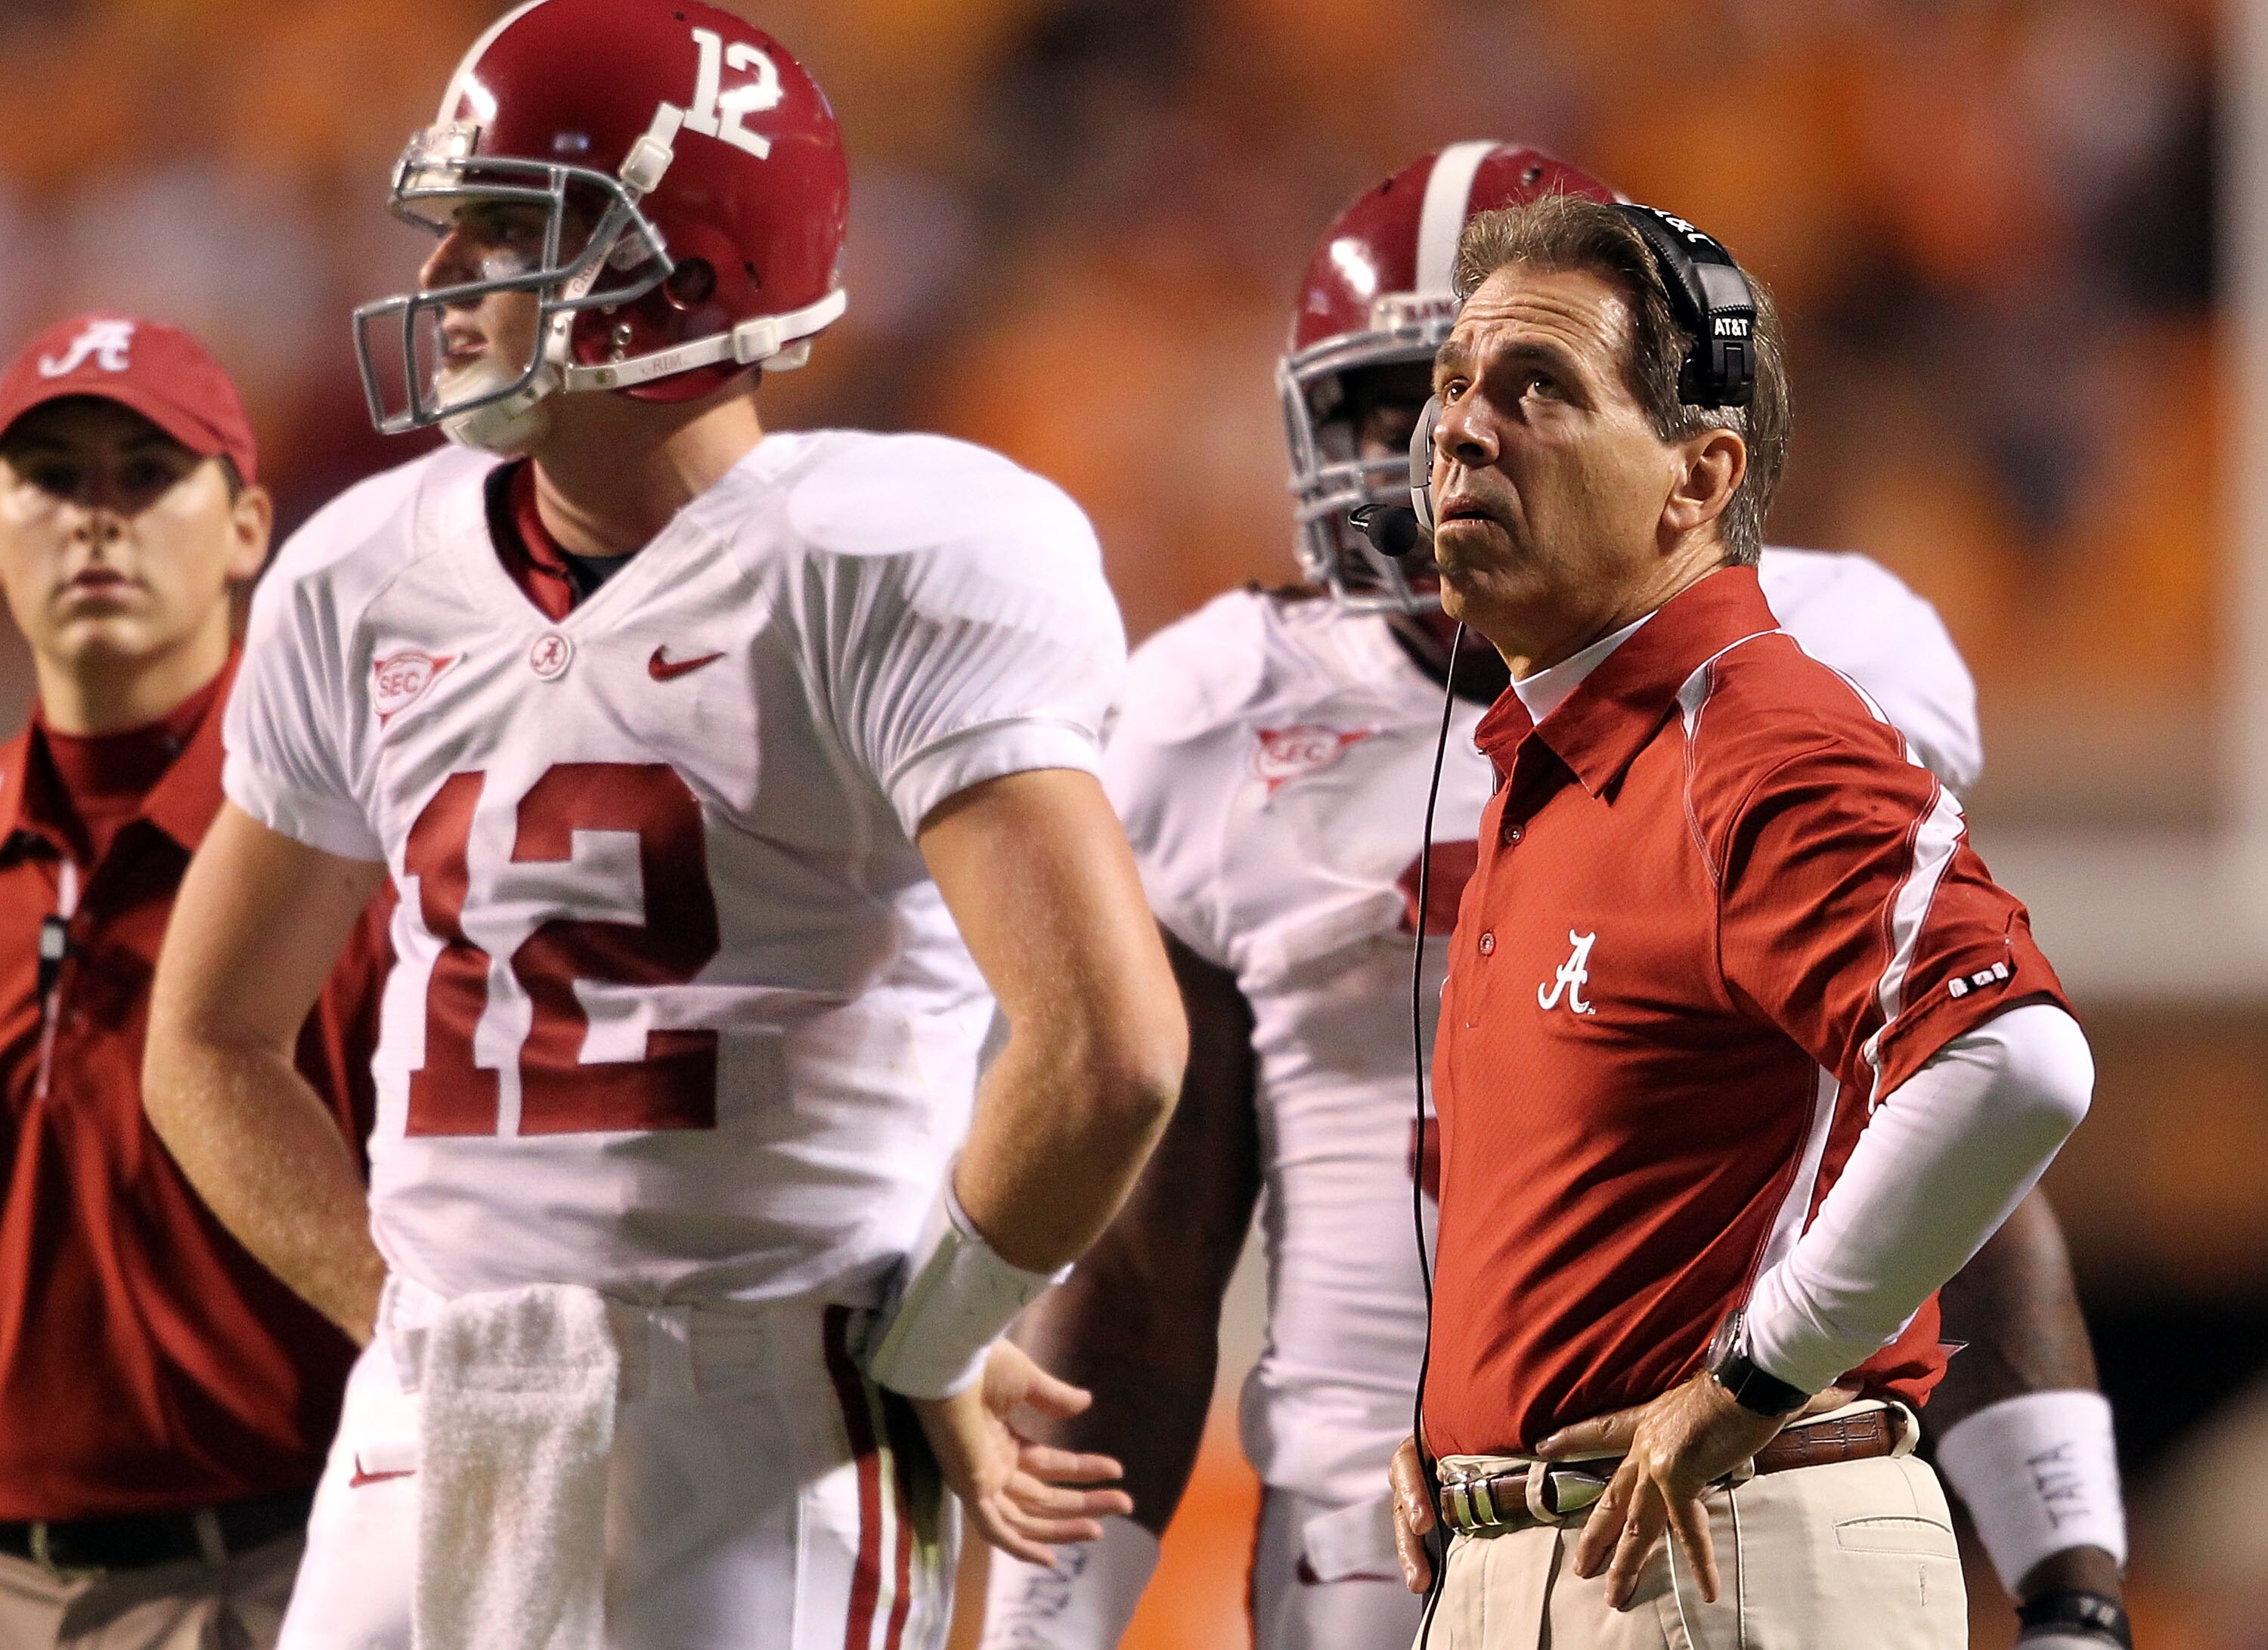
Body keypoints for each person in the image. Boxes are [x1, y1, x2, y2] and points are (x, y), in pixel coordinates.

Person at [980, 146, 2133, 1650]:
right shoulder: (1476, 740)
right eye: (1417, 396)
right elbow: (1148, 1268)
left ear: (1698, 475)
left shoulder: (1774, 710)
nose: (1445, 441)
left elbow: (1979, 1102)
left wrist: (2065, 1573)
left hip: (1706, 1539)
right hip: (1450, 1534)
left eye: (1529, 389)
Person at [138, 4, 1185, 1648]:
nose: (447, 278)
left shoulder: (885, 557)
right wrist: (413, 1320)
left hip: (757, 1411)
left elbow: (1110, 1050)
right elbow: (201, 1043)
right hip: (435, 1408)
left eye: (511, 229)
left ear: (681, 272)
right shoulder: (363, 572)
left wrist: (933, 1343)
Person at [0, 313, 387, 1648]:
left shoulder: (348, 843)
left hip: (295, 1566)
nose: (93, 518)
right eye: (51, 478)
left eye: (145, 474)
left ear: (247, 529)